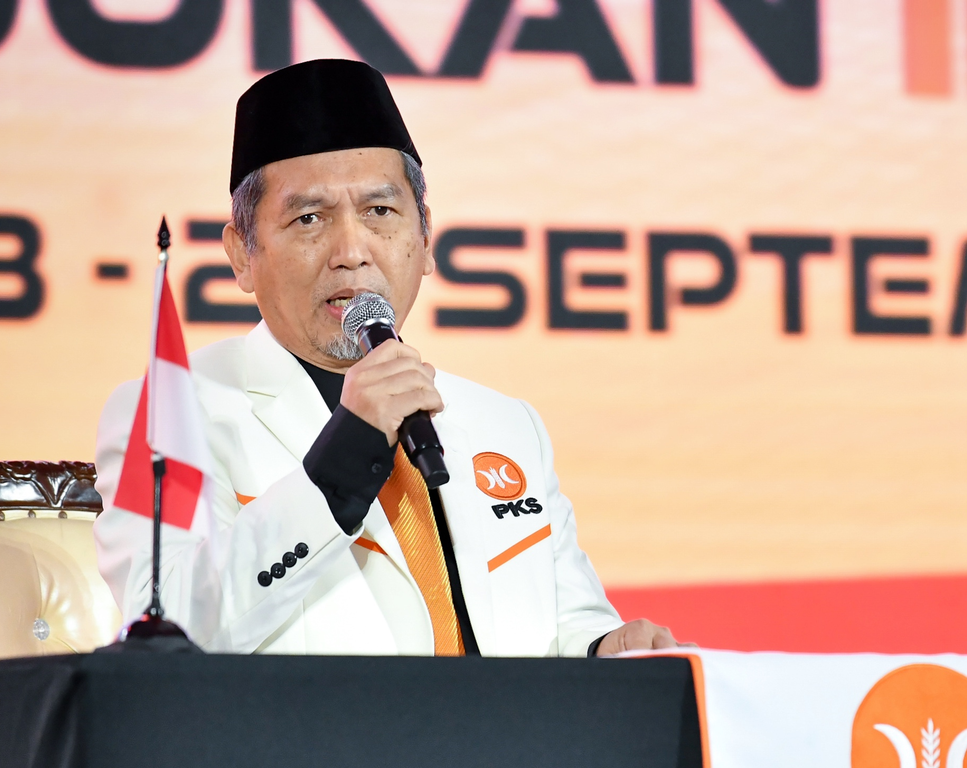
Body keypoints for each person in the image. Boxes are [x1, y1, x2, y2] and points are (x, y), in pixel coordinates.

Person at [93, 59, 682, 657]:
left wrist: (607, 649)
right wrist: (344, 459)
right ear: (242, 255)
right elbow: (165, 633)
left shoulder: (507, 425)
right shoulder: (173, 413)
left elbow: (570, 627)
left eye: (379, 212)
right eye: (309, 218)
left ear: (425, 237)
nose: (352, 251)